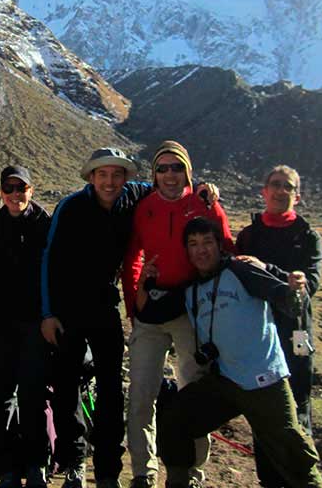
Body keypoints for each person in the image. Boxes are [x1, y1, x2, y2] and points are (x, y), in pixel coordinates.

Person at [155, 217, 322, 488]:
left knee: (292, 452)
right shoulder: (190, 289)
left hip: (265, 380)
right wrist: (142, 282)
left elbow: (286, 300)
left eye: (208, 242)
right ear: (186, 251)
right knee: (175, 421)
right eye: (193, 244)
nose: (201, 250)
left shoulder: (240, 270)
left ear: (220, 245)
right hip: (225, 380)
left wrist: (294, 290)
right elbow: (149, 312)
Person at [121, 141, 233, 488]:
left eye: (176, 167)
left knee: (194, 392)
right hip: (151, 311)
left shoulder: (203, 204)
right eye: (162, 168)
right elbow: (133, 257)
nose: (169, 174)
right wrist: (134, 302)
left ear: (188, 170)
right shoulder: (145, 208)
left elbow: (226, 247)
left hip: (192, 311)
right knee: (141, 394)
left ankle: (192, 474)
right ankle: (143, 472)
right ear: (154, 174)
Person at [40, 147, 152, 488]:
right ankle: (72, 463)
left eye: (117, 174)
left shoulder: (131, 196)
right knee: (65, 389)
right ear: (91, 177)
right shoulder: (70, 208)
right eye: (102, 174)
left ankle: (106, 472)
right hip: (68, 308)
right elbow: (48, 260)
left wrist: (201, 189)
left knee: (110, 391)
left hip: (105, 305)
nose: (110, 181)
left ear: (125, 179)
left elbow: (166, 185)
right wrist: (48, 313)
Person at [236, 165, 322, 488]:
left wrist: (273, 272)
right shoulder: (249, 236)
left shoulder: (308, 237)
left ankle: (303, 477)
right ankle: (269, 480)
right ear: (263, 191)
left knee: (298, 408)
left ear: (297, 196)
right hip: (259, 335)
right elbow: (242, 278)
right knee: (263, 410)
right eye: (274, 185)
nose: (280, 191)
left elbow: (308, 284)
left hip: (295, 334)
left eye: (287, 186)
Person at [0, 165, 53, 488]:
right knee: (3, 396)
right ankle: (7, 468)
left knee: (33, 395)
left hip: (34, 324)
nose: (16, 195)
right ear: (2, 192)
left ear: (31, 190)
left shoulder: (45, 227)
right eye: (10, 189)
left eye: (22, 189)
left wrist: (51, 317)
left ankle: (36, 465)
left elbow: (55, 277)